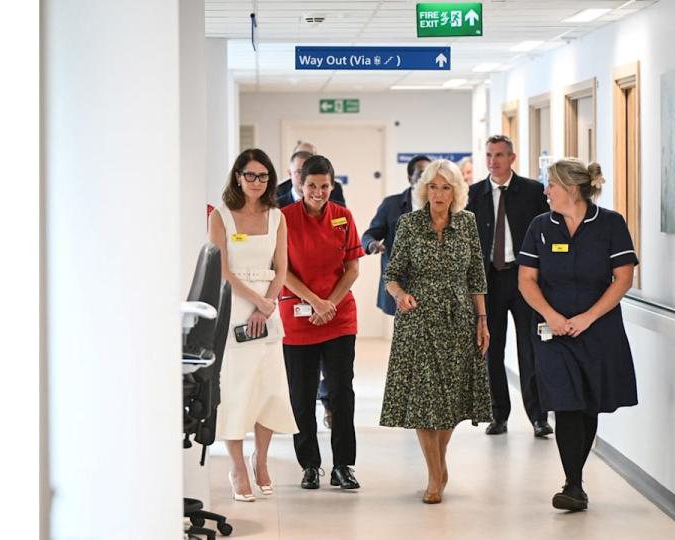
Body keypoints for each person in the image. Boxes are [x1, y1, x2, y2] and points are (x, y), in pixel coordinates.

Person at [517, 158, 638, 511]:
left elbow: (624, 278)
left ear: (571, 189)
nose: (545, 192)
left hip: (598, 330)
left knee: (587, 404)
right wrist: (552, 315)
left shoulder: (611, 224)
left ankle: (575, 477)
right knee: (565, 403)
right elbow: (526, 279)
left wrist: (588, 317)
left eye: (550, 185)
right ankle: (573, 483)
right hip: (552, 331)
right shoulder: (541, 226)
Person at [379, 159, 492, 504]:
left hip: (459, 318)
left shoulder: (468, 223)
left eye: (445, 187)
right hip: (419, 320)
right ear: (423, 189)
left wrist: (482, 319)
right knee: (423, 400)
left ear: (456, 191)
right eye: (432, 186)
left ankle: (440, 463)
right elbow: (392, 274)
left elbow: (475, 275)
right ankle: (434, 474)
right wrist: (401, 295)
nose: (439, 193)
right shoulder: (409, 224)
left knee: (451, 400)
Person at [208, 148, 298, 502]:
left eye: (263, 176)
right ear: (237, 177)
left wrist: (268, 304)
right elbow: (222, 269)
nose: (256, 182)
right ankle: (237, 467)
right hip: (235, 305)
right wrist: (255, 301)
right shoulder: (221, 216)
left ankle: (260, 460)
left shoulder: (277, 217)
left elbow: (282, 267)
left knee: (270, 389)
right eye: (250, 175)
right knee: (236, 389)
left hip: (268, 309)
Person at [279, 154, 365, 490]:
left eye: (324, 186)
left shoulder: (343, 217)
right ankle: (310, 465)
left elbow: (353, 268)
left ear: (332, 185)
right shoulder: (284, 218)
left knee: (341, 393)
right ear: (300, 185)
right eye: (312, 186)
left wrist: (329, 303)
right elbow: (282, 271)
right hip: (299, 319)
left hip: (338, 317)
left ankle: (343, 464)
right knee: (301, 396)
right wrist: (315, 301)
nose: (318, 192)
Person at [466, 134, 552, 437]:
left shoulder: (532, 192)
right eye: (489, 155)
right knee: (492, 348)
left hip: (525, 278)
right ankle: (498, 414)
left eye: (500, 155)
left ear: (512, 158)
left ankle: (538, 417)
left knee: (531, 349)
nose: (493, 161)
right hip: (489, 281)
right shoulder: (472, 195)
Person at [361, 154, 431, 315]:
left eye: (429, 174)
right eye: (421, 174)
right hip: (400, 284)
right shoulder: (391, 204)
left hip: (431, 283)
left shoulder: (440, 204)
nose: (426, 179)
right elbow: (369, 234)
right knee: (404, 335)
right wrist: (372, 245)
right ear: (409, 178)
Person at [277, 149, 346, 207]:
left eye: (309, 172)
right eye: (299, 172)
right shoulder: (276, 208)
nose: (303, 177)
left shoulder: (340, 210)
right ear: (290, 173)